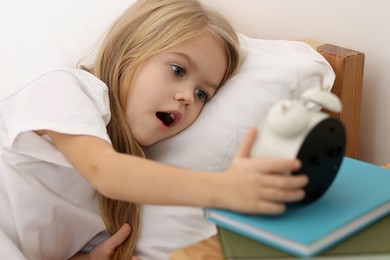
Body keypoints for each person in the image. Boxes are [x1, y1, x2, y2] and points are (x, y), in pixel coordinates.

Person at [0, 0, 308, 259]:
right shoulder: (64, 87)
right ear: (130, 52)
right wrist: (223, 188)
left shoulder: (126, 187)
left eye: (203, 94)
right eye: (178, 70)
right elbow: (106, 171)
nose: (188, 96)